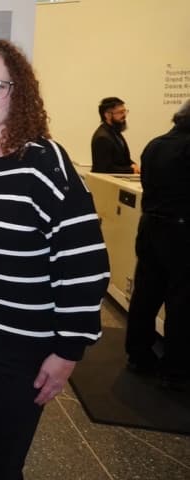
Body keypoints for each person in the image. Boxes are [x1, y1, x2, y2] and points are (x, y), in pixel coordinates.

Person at [0, 39, 110, 479]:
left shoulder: (42, 162)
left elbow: (85, 261)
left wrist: (69, 350)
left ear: (18, 93)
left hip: (17, 349)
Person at [125, 99, 190, 389]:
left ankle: (138, 355)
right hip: (181, 231)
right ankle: (175, 369)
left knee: (146, 293)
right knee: (181, 301)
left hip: (150, 225)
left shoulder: (155, 144)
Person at [91, 96, 139, 173]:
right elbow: (104, 168)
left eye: (125, 111)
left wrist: (133, 164)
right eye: (120, 112)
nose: (124, 115)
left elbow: (122, 159)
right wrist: (131, 170)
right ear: (107, 115)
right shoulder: (102, 137)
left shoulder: (115, 132)